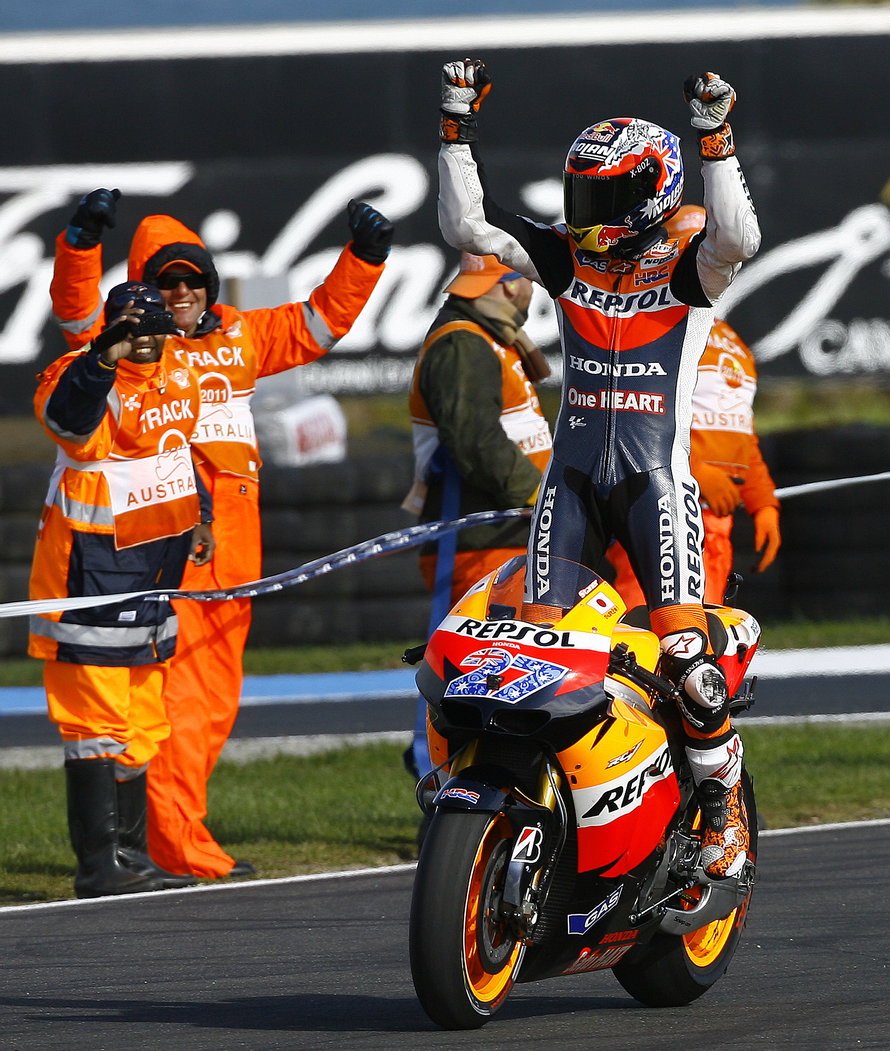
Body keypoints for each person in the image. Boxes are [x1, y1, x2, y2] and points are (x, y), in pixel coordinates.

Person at [434, 60, 761, 877]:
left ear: (651, 195)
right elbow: (470, 226)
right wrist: (454, 123)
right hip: (571, 481)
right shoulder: (568, 261)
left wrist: (716, 138)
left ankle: (721, 809)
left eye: (604, 199)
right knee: (531, 649)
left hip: (657, 484)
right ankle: (536, 802)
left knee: (686, 659)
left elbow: (740, 238)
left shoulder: (689, 266)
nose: (585, 216)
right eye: (581, 196)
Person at [50, 189, 392, 878]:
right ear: (143, 288)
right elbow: (79, 316)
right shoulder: (143, 347)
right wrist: (81, 244)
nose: (180, 291)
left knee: (212, 702)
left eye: (192, 278)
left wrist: (365, 256)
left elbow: (318, 324)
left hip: (239, 550)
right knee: (172, 695)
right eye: (164, 280)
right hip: (175, 536)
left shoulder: (241, 332)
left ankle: (169, 836)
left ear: (209, 284)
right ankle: (171, 844)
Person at [30, 282, 211, 898]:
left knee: (143, 721)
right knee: (95, 722)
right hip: (88, 570)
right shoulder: (76, 373)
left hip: (156, 572)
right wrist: (101, 361)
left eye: (154, 324)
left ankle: (133, 855)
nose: (145, 336)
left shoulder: (179, 373)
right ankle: (97, 863)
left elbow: (177, 451)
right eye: (130, 325)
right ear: (109, 326)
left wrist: (202, 515)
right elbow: (66, 424)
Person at [403, 250, 554, 776]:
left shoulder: (485, 337)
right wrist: (540, 495)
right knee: (469, 679)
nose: (535, 292)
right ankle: (443, 790)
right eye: (528, 281)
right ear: (509, 286)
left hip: (509, 536)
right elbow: (475, 441)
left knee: (512, 681)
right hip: (479, 542)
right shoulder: (463, 345)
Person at [606, 206, 782, 609]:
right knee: (641, 639)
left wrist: (763, 500)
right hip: (657, 509)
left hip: (715, 523)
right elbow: (624, 417)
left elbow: (740, 431)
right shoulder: (644, 324)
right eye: (698, 253)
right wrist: (695, 471)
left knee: (699, 653)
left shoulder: (731, 340)